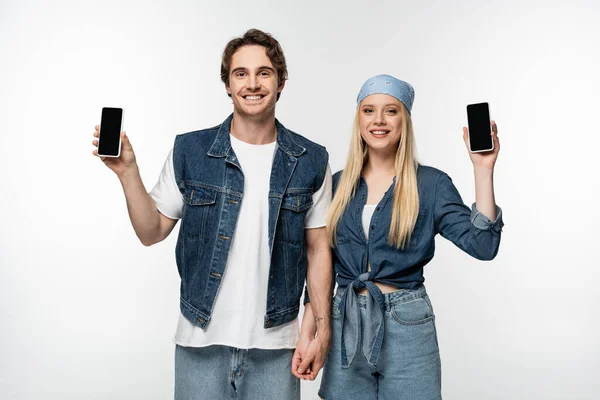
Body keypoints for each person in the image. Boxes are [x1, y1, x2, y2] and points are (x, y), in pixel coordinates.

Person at [91, 29, 333, 400]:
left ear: (281, 82)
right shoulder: (191, 150)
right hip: (199, 343)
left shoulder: (312, 159)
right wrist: (127, 173)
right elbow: (150, 231)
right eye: (241, 73)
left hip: (277, 347)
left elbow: (318, 250)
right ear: (227, 84)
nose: (252, 83)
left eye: (264, 72)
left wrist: (320, 328)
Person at [316, 74, 504, 400]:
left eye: (391, 111)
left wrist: (483, 169)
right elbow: (320, 262)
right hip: (346, 321)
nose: (378, 120)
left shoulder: (430, 184)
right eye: (368, 110)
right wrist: (315, 325)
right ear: (358, 119)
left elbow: (483, 245)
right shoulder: (337, 184)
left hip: (407, 325)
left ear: (405, 121)